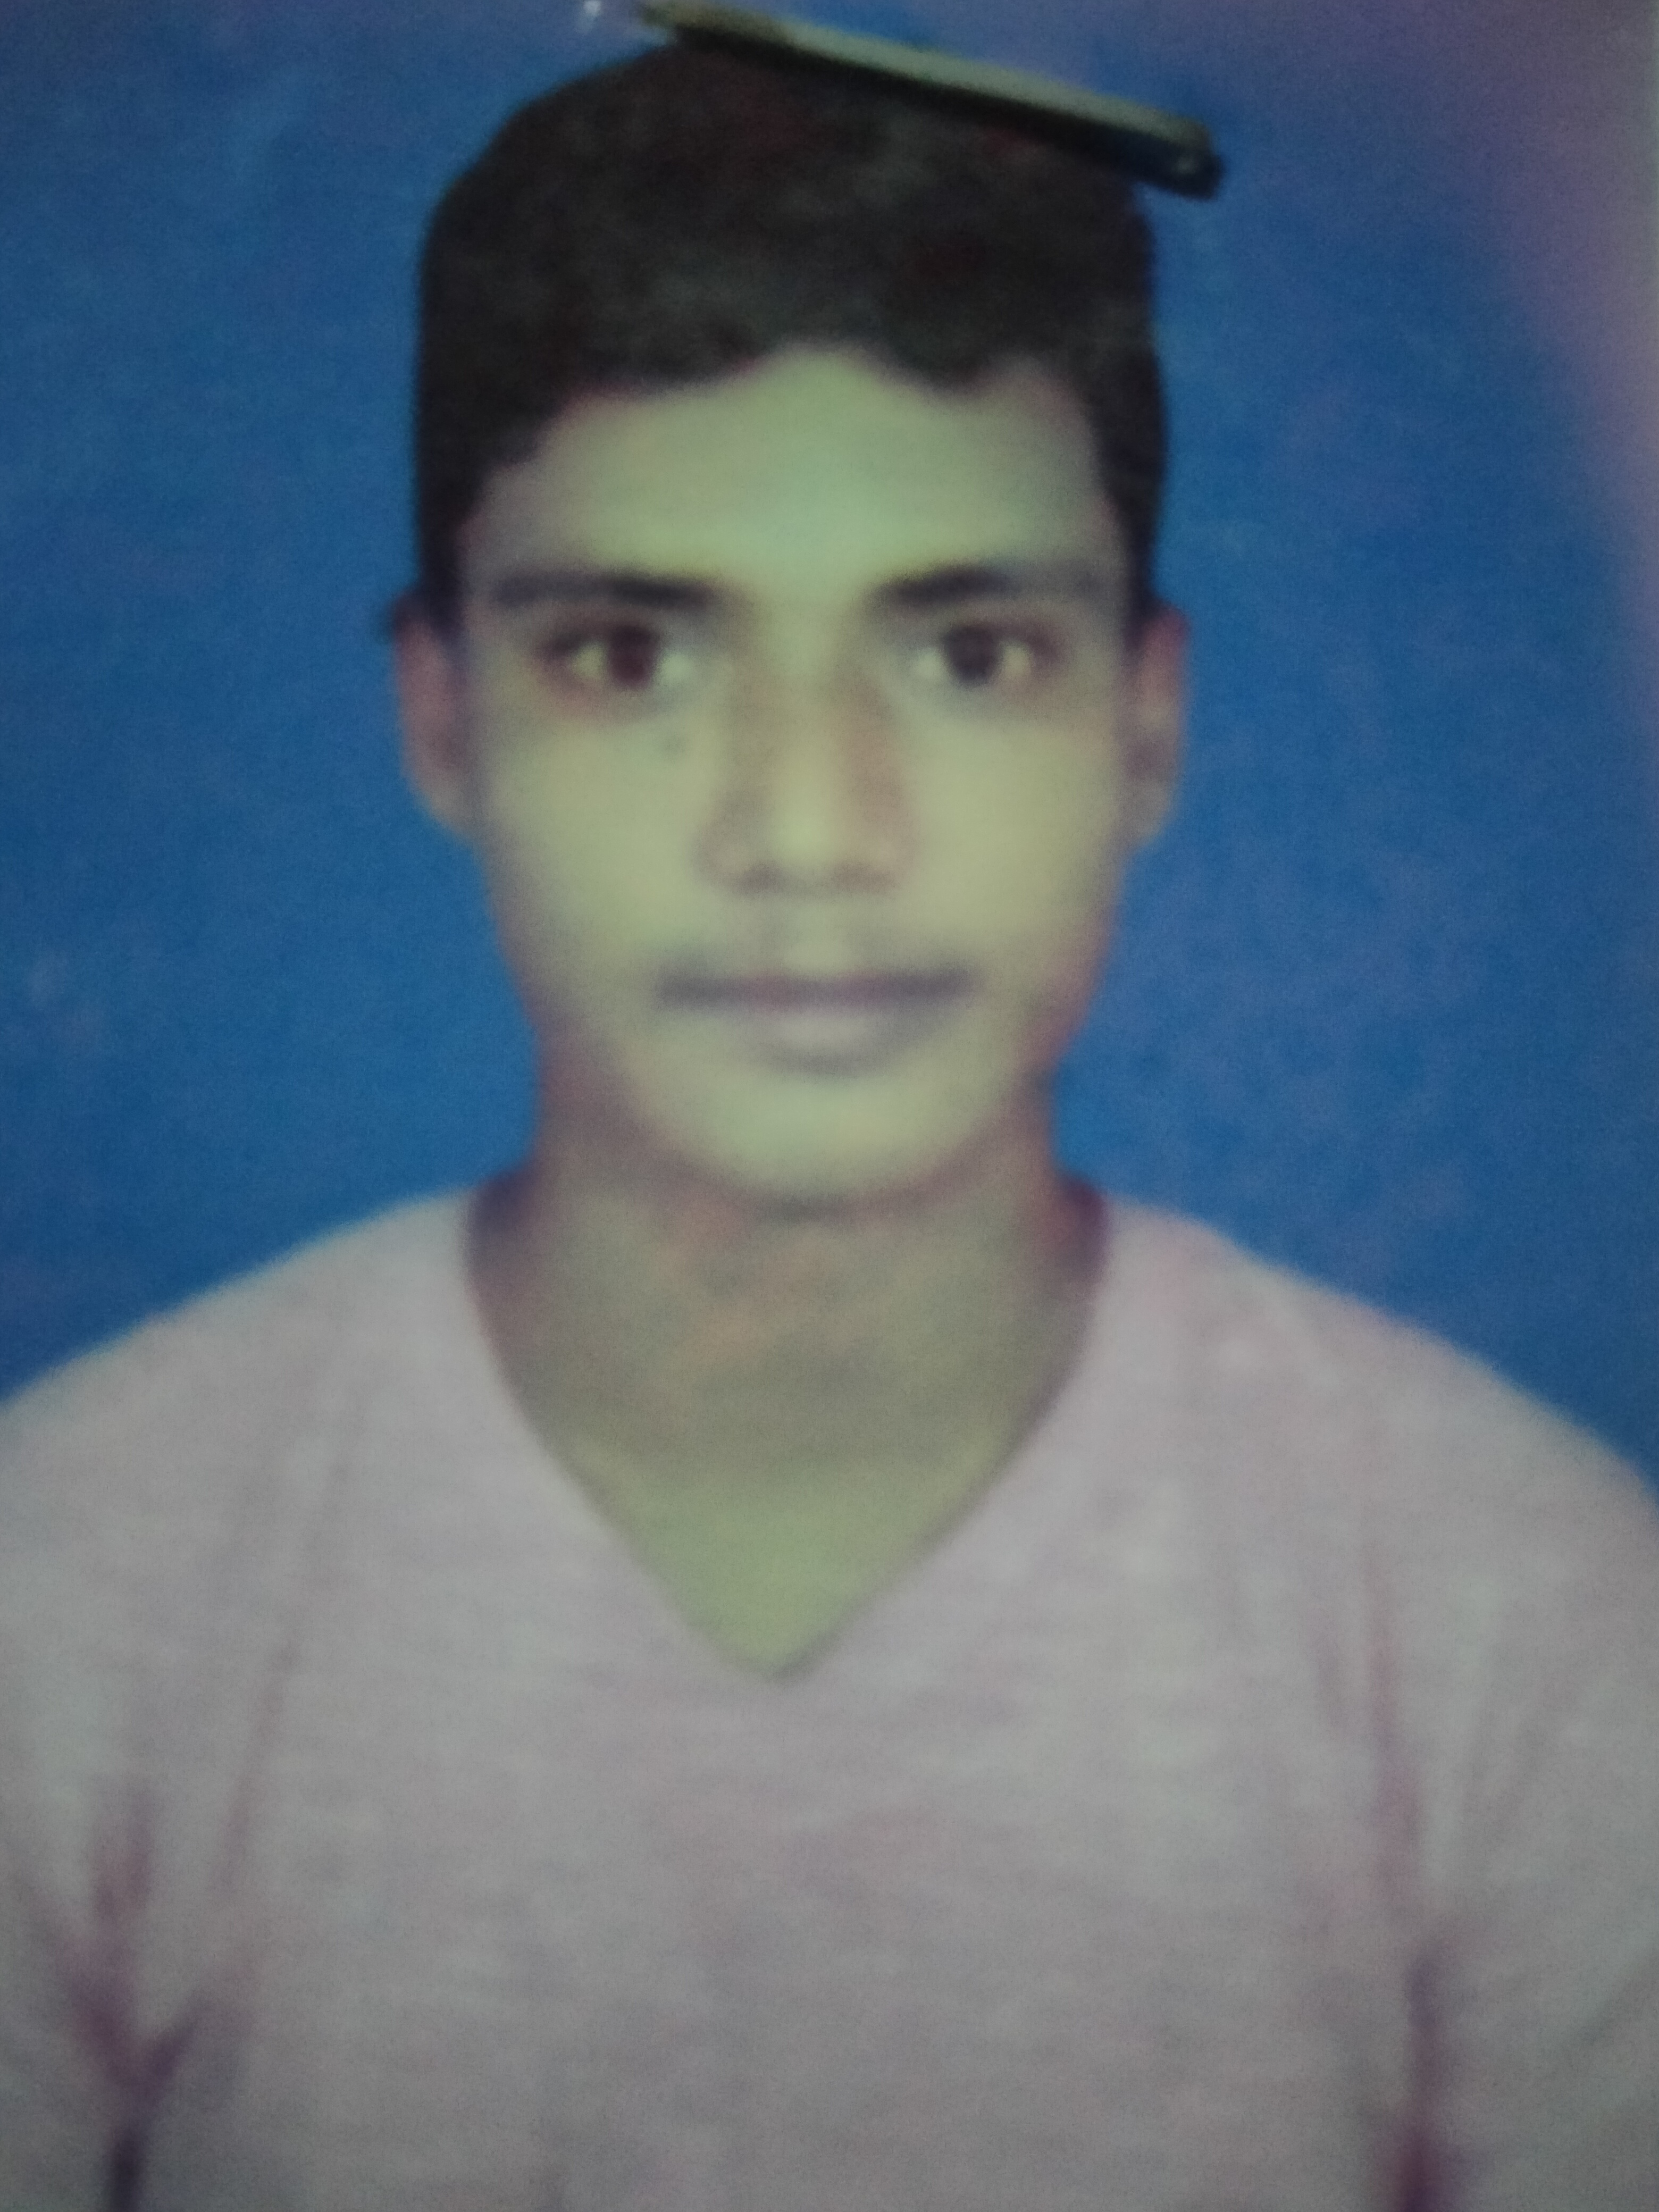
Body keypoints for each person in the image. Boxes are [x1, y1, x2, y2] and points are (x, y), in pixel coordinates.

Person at [2, 29, 1656, 2212]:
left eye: (968, 654)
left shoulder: (1525, 1629)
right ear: (440, 718)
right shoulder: (67, 1601)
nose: (808, 830)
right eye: (630, 654)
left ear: (1147, 725)